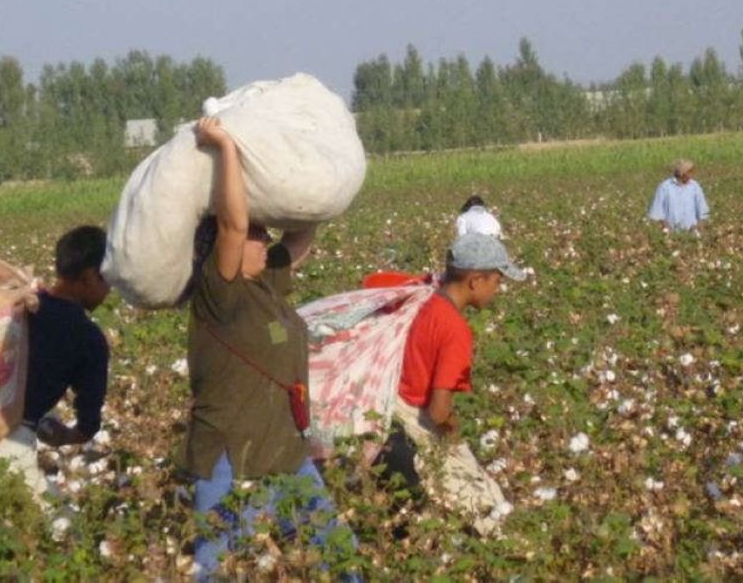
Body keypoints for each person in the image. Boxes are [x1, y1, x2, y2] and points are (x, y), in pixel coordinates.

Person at [186, 116, 356, 580]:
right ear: (226, 247)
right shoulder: (219, 293)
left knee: (337, 548)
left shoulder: (266, 284)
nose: (263, 241)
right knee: (217, 561)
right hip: (227, 451)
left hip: (284, 448)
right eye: (256, 236)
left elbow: (301, 235)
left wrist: (318, 158)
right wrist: (225, 147)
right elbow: (232, 222)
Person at [0, 225, 112, 515]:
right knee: (52, 540)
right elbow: (88, 423)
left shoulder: (20, 306)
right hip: (9, 446)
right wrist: (65, 435)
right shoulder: (88, 338)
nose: (110, 290)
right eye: (107, 280)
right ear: (88, 277)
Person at [375, 232, 525, 536]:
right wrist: (454, 430)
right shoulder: (455, 330)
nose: (499, 289)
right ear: (475, 281)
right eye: (497, 281)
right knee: (485, 507)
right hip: (417, 419)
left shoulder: (423, 300)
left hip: (390, 407)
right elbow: (438, 411)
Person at [647, 159, 709, 231]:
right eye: (690, 172)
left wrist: (698, 225)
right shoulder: (665, 187)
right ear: (682, 173)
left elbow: (703, 211)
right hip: (670, 233)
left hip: (692, 232)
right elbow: (656, 212)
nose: (692, 175)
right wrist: (664, 224)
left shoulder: (695, 187)